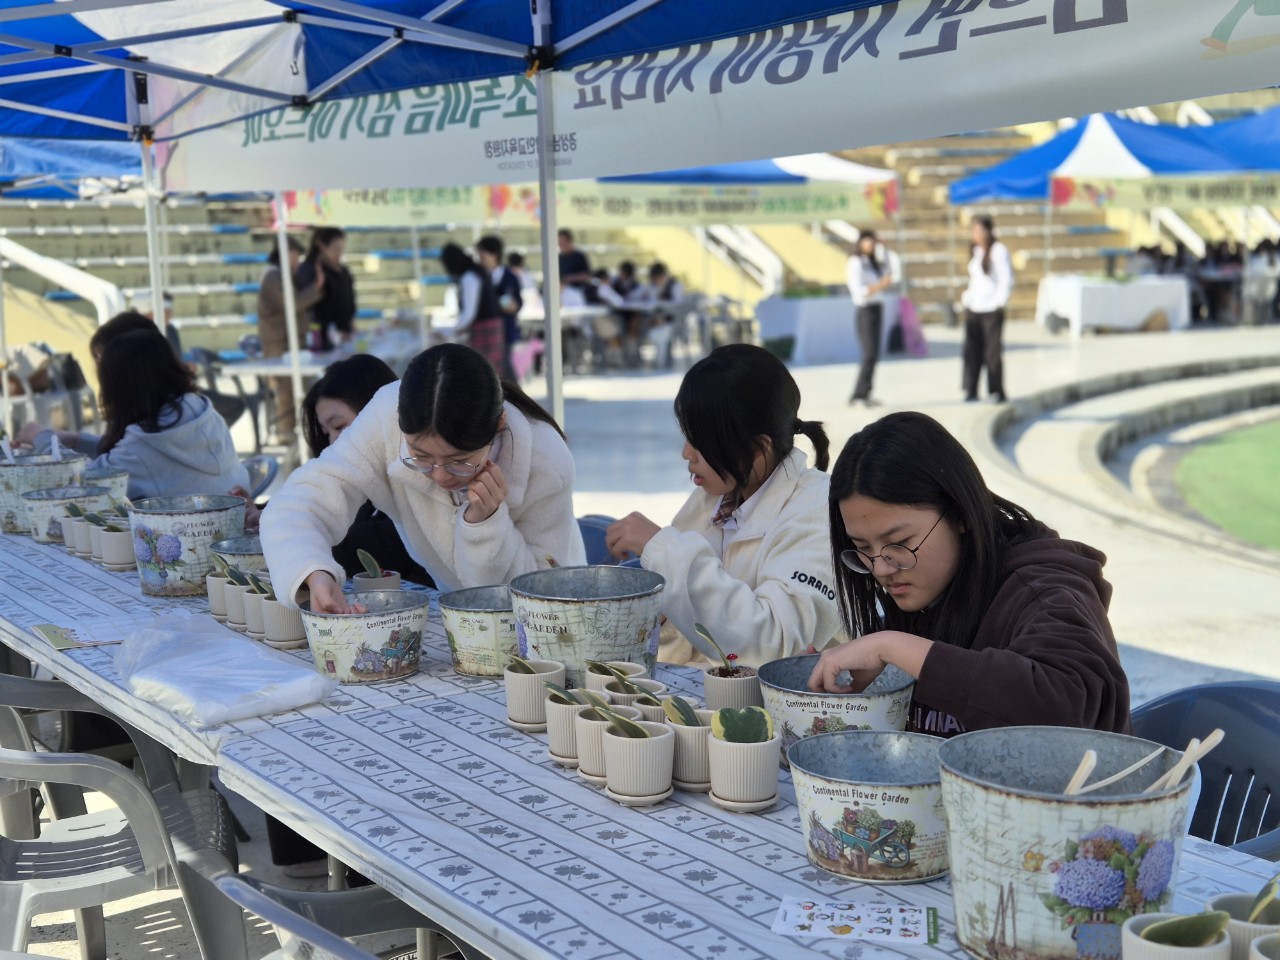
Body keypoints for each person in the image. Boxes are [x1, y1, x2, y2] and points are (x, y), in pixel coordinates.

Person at [807, 411, 1130, 737]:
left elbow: (1064, 708)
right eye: (862, 548)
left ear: (960, 514)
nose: (881, 569)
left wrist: (894, 646)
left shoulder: (1043, 592)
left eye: (900, 543)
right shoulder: (925, 594)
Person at [261, 343, 585, 611]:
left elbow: (541, 593)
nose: (440, 476)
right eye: (420, 456)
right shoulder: (385, 417)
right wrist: (312, 571)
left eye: (460, 461)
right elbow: (301, 502)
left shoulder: (545, 461)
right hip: (457, 616)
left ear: (499, 425)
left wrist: (485, 525)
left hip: (560, 619)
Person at [605, 344, 842, 666]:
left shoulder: (818, 511)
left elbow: (775, 646)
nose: (686, 453)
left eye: (702, 440)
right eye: (686, 435)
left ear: (758, 448)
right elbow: (698, 640)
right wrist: (659, 615)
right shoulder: (715, 497)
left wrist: (663, 549)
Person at [18, 327, 250, 502]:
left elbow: (83, 484)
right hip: (235, 524)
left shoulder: (142, 446)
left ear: (119, 388)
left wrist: (43, 438)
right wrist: (79, 441)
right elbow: (149, 458)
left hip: (191, 540)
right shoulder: (200, 410)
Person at [301, 355, 435, 588]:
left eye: (339, 426)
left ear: (376, 412)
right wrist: (261, 512)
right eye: (326, 432)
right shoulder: (363, 477)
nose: (332, 441)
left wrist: (296, 530)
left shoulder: (421, 470)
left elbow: (373, 545)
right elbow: (317, 497)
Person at [257, 237, 324, 435]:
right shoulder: (273, 275)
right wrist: (316, 287)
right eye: (295, 255)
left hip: (290, 343)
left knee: (295, 391)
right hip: (280, 346)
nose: (298, 260)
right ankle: (285, 435)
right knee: (286, 393)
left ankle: (294, 435)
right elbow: (292, 304)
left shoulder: (282, 275)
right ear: (285, 254)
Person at [961, 215, 1012, 403]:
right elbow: (975, 280)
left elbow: (1006, 278)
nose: (976, 235)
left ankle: (996, 390)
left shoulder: (999, 251)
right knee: (972, 350)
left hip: (991, 307)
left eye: (980, 231)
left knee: (992, 352)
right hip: (974, 307)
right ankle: (971, 389)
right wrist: (967, 297)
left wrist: (1000, 302)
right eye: (974, 231)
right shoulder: (975, 251)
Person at [846, 229, 894, 406]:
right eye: (867, 241)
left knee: (874, 354)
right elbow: (859, 291)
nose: (870, 245)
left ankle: (866, 392)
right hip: (865, 310)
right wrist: (879, 285)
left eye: (873, 242)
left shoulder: (872, 262)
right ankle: (858, 395)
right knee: (869, 353)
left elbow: (888, 272)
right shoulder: (855, 262)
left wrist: (884, 249)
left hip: (876, 308)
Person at [440, 242, 505, 372]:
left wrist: (449, 331)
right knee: (491, 373)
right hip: (491, 326)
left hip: (484, 329)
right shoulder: (477, 272)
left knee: (483, 373)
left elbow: (469, 313)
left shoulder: (469, 277)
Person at [297, 227, 356, 350]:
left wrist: (350, 323)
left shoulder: (343, 270)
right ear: (322, 246)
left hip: (344, 334)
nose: (339, 253)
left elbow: (349, 298)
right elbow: (303, 305)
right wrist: (318, 285)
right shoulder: (309, 269)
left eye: (341, 249)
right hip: (320, 337)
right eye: (335, 249)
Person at [475, 235, 523, 379]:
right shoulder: (477, 276)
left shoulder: (510, 276)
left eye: (483, 254)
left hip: (505, 330)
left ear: (494, 254)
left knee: (505, 367)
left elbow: (517, 303)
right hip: (485, 331)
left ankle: (514, 392)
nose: (480, 258)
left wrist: (511, 306)